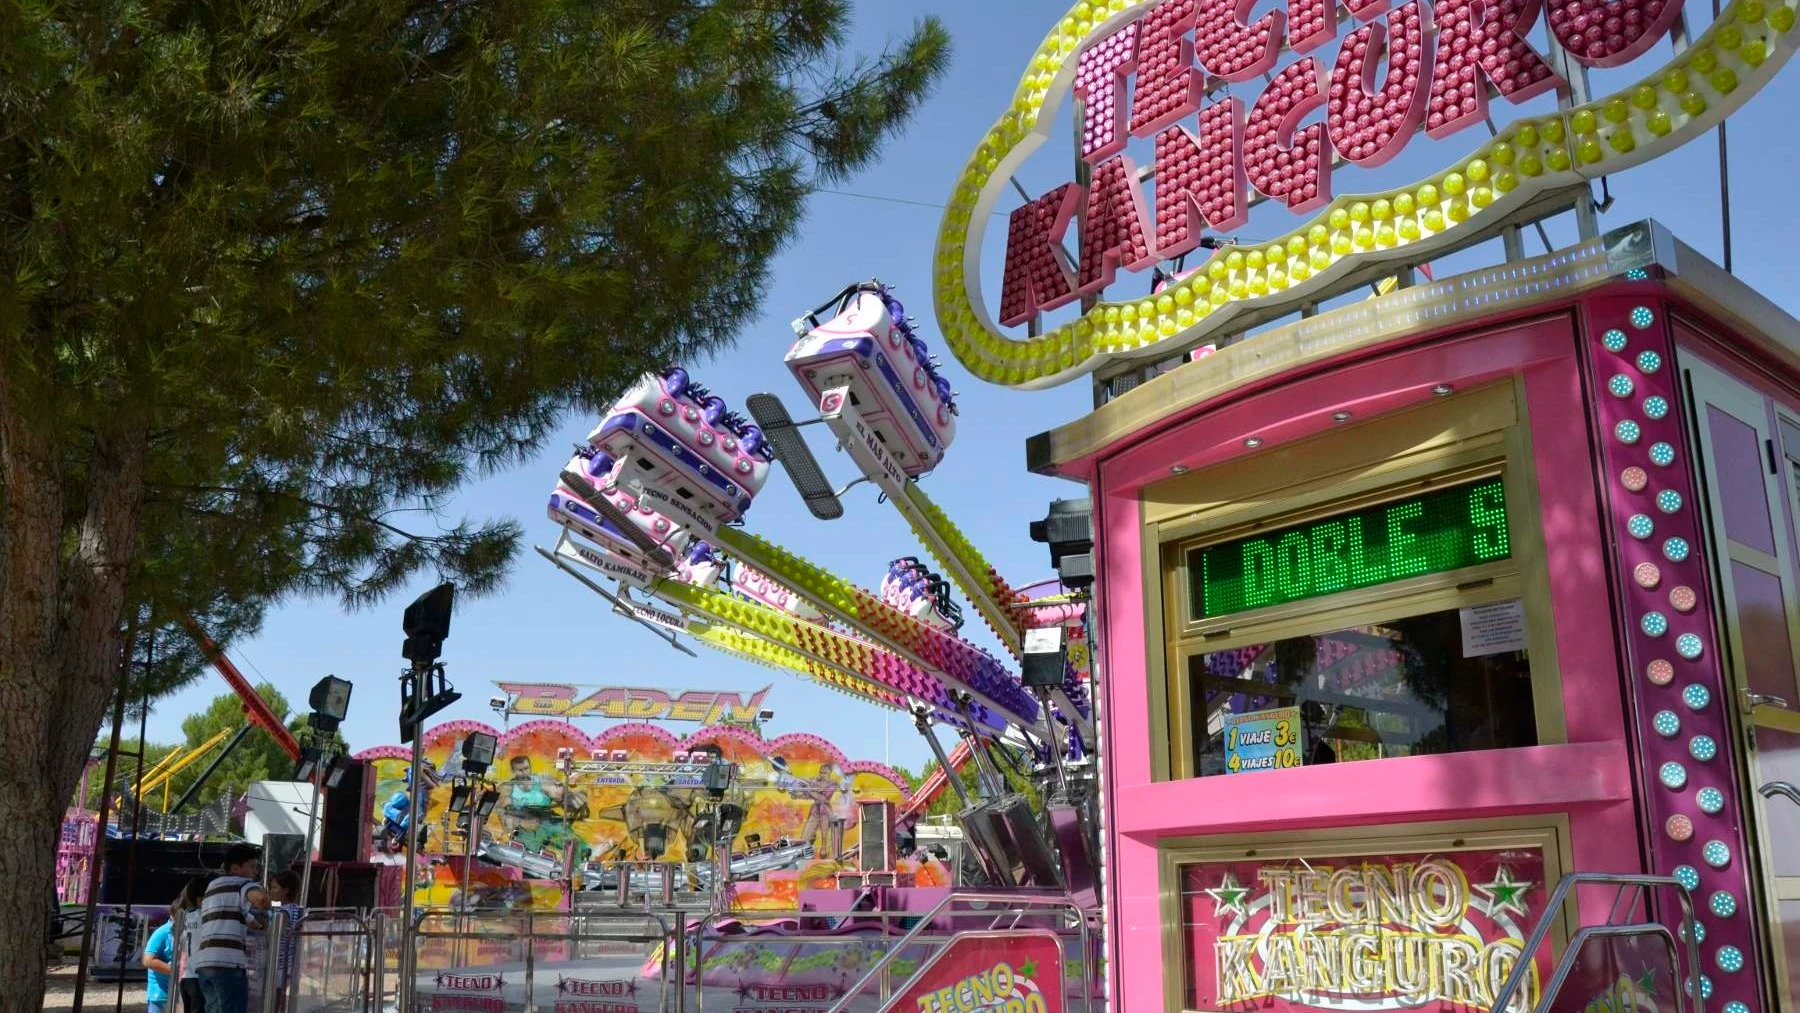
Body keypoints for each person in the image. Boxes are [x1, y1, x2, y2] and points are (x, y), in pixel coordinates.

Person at [193, 844, 269, 1013]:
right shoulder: (242, 884)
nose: (255, 871)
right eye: (252, 866)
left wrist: (257, 923)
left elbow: (246, 918)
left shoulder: (212, 888)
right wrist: (266, 904)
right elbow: (261, 899)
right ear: (236, 868)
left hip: (205, 963)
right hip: (228, 963)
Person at [174, 875, 214, 1013]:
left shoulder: (185, 915)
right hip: (199, 977)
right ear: (201, 899)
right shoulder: (205, 916)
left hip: (186, 976)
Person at [143, 910, 177, 1013]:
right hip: (160, 995)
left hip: (176, 994)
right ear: (172, 915)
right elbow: (148, 961)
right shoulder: (162, 932)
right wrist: (178, 972)